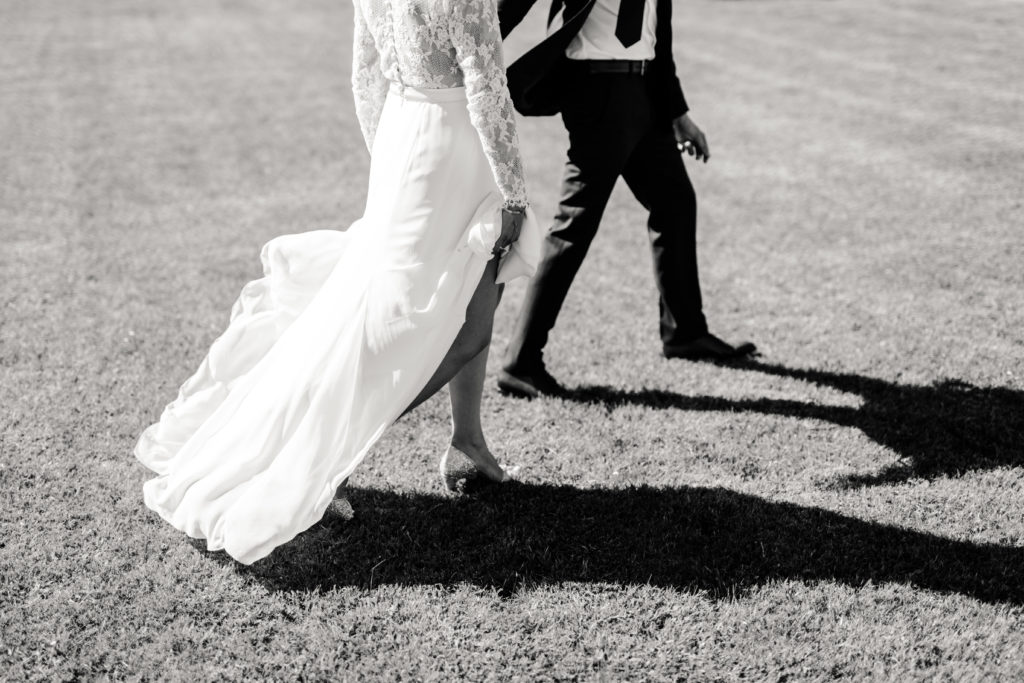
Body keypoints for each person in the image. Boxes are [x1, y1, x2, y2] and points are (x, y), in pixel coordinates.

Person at [134, 0, 541, 565]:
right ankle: (325, 455)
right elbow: (485, 86)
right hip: (453, 146)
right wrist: (515, 194)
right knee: (450, 322)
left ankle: (466, 440)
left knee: (456, 290)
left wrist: (393, 159)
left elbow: (364, 73)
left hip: (407, 138)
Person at [494, 0, 755, 398]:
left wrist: (678, 115)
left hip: (645, 93)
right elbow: (508, 8)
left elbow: (657, 43)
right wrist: (462, 59)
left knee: (675, 205)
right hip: (597, 92)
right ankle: (521, 362)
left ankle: (685, 333)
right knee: (574, 227)